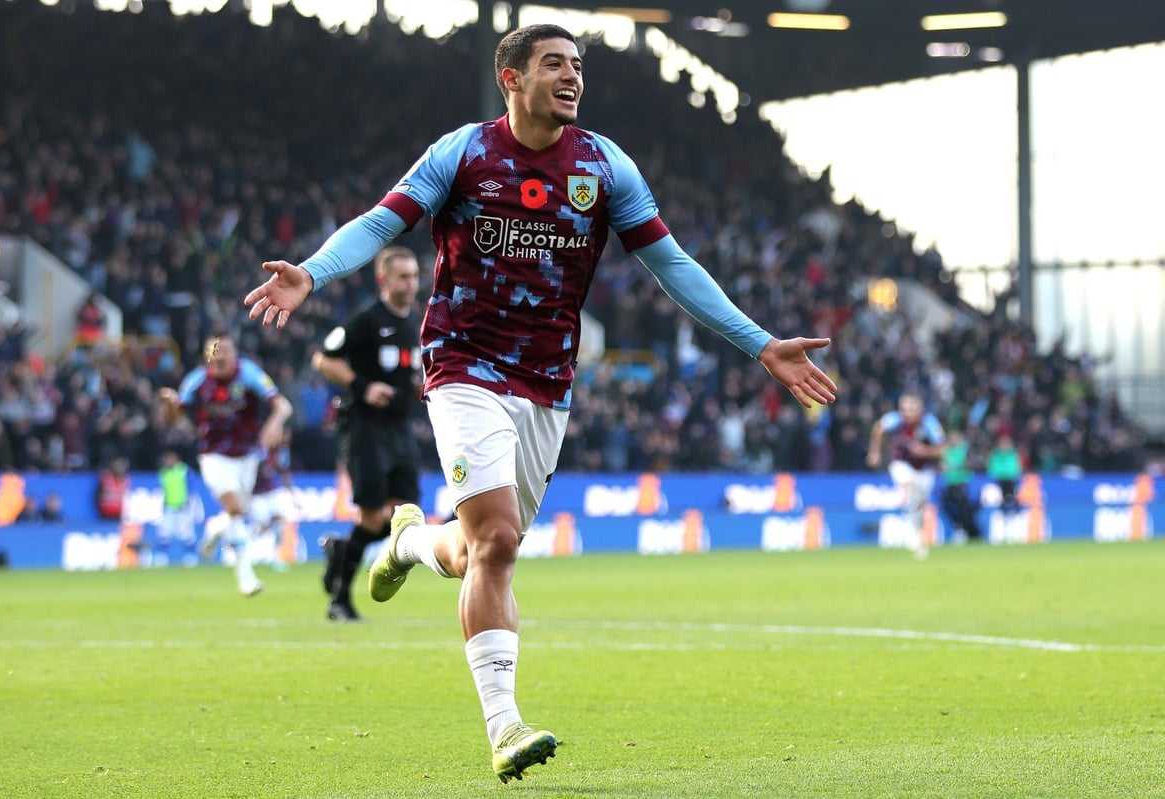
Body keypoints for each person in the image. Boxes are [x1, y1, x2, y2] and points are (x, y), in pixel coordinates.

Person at [244, 23, 838, 783]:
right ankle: (505, 726)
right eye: (554, 63)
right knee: (497, 542)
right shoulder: (462, 153)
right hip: (462, 365)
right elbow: (381, 222)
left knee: (477, 551)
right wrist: (313, 273)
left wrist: (761, 344)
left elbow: (673, 265)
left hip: (547, 384)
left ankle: (410, 543)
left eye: (578, 65)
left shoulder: (603, 166)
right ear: (512, 78)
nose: (572, 76)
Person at [311, 246, 424, 622]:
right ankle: (339, 600)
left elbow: (409, 369)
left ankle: (340, 549)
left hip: (400, 427)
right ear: (383, 280)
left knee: (404, 517)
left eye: (414, 276)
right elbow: (323, 359)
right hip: (365, 428)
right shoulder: (365, 320)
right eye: (403, 277)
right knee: (374, 518)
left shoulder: (416, 323)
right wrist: (364, 387)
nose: (411, 284)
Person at [159, 332, 292, 596]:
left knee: (236, 512)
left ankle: (213, 530)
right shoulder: (197, 381)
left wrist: (275, 423)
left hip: (247, 456)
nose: (219, 356)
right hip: (214, 456)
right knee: (235, 508)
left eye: (225, 351)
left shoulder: (249, 374)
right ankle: (246, 578)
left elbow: (283, 406)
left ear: (234, 354)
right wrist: (169, 405)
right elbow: (174, 419)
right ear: (206, 356)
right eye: (214, 351)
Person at [866, 393, 947, 559]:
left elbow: (943, 448)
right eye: (904, 409)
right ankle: (912, 534)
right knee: (911, 490)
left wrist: (926, 451)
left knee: (920, 505)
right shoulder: (895, 419)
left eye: (911, 409)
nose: (907, 413)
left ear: (920, 410)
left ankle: (917, 537)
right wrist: (875, 452)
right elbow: (878, 428)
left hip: (924, 469)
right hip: (901, 463)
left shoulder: (929, 423)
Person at [248, 433, 297, 573]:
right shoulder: (256, 451)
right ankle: (250, 552)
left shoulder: (280, 453)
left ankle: (274, 557)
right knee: (262, 526)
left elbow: (284, 472)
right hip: (256, 495)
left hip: (271, 493)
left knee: (279, 523)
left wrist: (292, 494)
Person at [154, 448, 200, 567]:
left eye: (169, 458)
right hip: (169, 506)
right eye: (166, 459)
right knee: (165, 531)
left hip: (183, 507)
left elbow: (191, 487)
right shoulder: (163, 472)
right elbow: (163, 490)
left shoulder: (184, 470)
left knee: (186, 532)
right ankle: (162, 557)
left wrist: (189, 502)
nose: (167, 461)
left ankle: (191, 557)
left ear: (176, 459)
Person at [940, 430, 981, 543]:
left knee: (965, 510)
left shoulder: (964, 450)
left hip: (962, 484)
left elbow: (970, 463)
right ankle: (957, 529)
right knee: (949, 508)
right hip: (950, 484)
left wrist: (958, 465)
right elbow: (943, 466)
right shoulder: (947, 451)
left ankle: (968, 531)